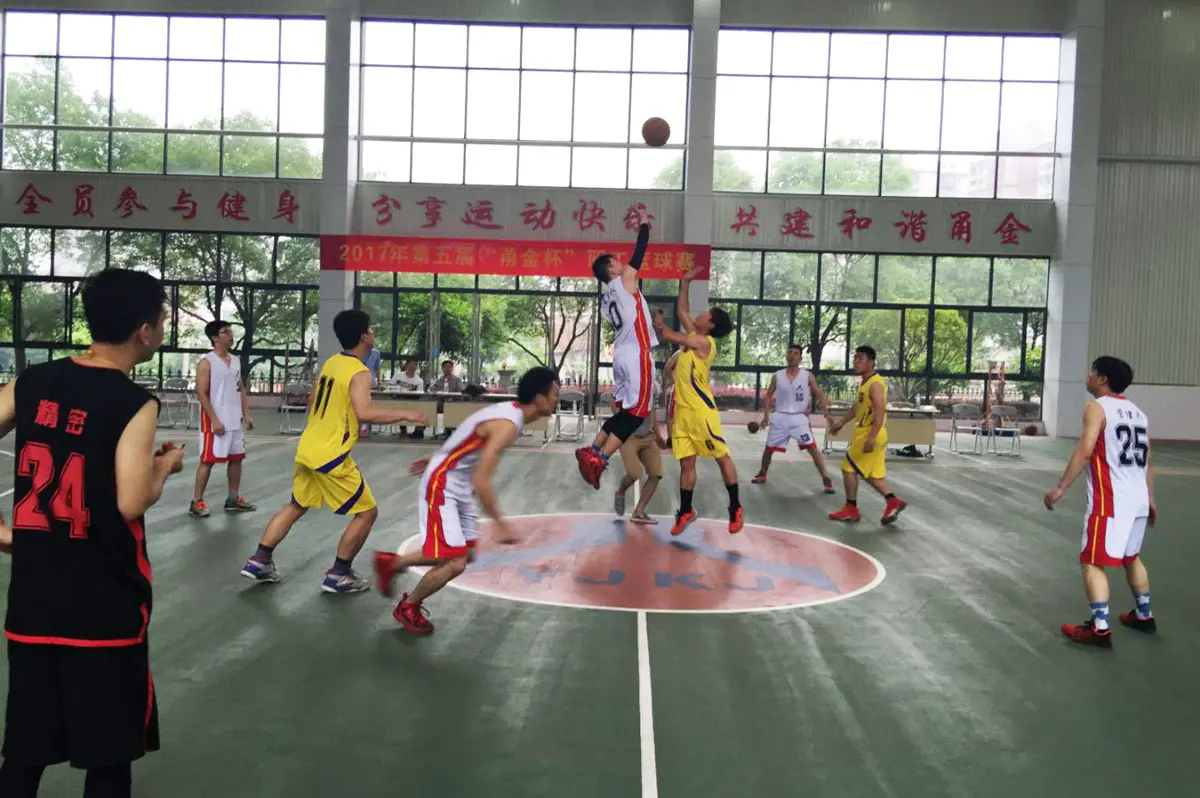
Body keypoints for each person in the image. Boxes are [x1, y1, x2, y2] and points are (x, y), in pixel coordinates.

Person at [0, 269, 185, 798]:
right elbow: (130, 500)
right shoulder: (133, 401)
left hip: (33, 601)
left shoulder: (33, 381)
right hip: (105, 605)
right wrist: (163, 467)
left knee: (26, 750)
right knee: (108, 757)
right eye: (163, 319)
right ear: (144, 332)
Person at [239, 310, 430, 593]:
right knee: (367, 513)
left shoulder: (332, 363)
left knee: (296, 505)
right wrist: (408, 415)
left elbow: (313, 399)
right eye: (371, 329)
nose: (374, 333)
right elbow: (364, 412)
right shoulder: (359, 372)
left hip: (308, 448)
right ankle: (339, 574)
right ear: (363, 336)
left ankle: (259, 560)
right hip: (331, 454)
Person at [372, 367, 561, 633]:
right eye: (554, 394)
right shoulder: (508, 423)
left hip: (457, 482)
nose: (557, 399)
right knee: (455, 560)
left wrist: (442, 455)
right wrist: (500, 523)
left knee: (466, 553)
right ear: (539, 398)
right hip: (444, 484)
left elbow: (470, 430)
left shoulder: (510, 413)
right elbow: (482, 478)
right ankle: (409, 606)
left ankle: (392, 563)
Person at [1044, 356, 1157, 648]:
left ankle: (1100, 628)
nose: (1088, 375)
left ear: (1103, 379)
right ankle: (1144, 615)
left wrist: (1060, 487)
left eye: (1093, 372)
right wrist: (1150, 499)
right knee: (1131, 557)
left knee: (1092, 561)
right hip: (1138, 500)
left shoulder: (1097, 408)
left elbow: (1085, 449)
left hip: (1111, 500)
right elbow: (1147, 460)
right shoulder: (1138, 413)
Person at [652, 266, 741, 536]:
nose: (700, 314)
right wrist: (685, 282)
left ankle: (735, 507)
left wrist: (659, 325)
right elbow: (682, 311)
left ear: (710, 324)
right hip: (683, 413)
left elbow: (671, 335)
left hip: (702, 412)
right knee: (686, 464)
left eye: (706, 314)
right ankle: (686, 510)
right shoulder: (694, 335)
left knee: (721, 457)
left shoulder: (704, 343)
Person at [575, 207, 656, 488]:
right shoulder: (623, 282)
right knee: (638, 413)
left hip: (621, 354)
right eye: (617, 262)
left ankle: (593, 449)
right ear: (611, 269)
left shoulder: (606, 297)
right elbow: (640, 251)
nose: (622, 264)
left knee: (624, 412)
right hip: (636, 354)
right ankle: (599, 460)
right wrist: (644, 223)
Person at [827, 346, 907, 524]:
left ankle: (851, 509)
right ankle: (893, 501)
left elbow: (880, 410)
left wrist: (871, 437)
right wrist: (841, 422)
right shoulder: (865, 383)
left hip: (870, 433)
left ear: (871, 362)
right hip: (872, 433)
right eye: (855, 358)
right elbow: (857, 407)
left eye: (860, 358)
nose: (856, 362)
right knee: (872, 475)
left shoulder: (875, 384)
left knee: (848, 467)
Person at [190, 319, 256, 518]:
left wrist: (246, 413)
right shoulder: (206, 362)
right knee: (208, 461)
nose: (230, 335)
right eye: (226, 332)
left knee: (236, 459)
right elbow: (201, 393)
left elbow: (240, 388)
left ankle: (233, 499)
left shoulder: (235, 360)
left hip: (235, 420)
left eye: (230, 331)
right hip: (215, 421)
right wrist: (214, 420)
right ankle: (196, 501)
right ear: (215, 337)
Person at [751, 344, 836, 494]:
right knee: (769, 448)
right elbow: (769, 395)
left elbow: (818, 392)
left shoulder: (807, 375)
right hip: (780, 416)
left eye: (796, 353)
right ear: (786, 355)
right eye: (789, 352)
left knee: (812, 448)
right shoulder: (777, 375)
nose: (792, 355)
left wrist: (826, 411)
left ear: (800, 358)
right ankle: (762, 473)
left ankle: (826, 478)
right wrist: (766, 415)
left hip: (799, 418)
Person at [614, 391, 667, 525]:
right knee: (635, 473)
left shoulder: (653, 386)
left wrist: (659, 437)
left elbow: (651, 413)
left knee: (656, 474)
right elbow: (613, 401)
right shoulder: (628, 383)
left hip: (648, 437)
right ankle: (621, 492)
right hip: (629, 437)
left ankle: (639, 511)